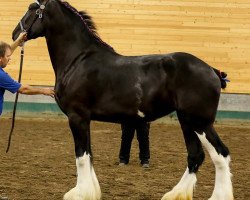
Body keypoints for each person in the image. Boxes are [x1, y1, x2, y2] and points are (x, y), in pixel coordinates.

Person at [0, 32, 55, 116]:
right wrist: (44, 91)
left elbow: (5, 52)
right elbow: (23, 89)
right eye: (8, 56)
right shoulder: (1, 76)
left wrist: (18, 41)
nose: (9, 58)